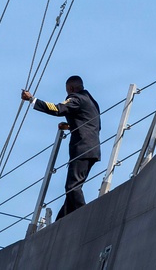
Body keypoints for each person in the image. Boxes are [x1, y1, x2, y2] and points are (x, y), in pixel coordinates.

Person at [21, 76, 101, 220]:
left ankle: (86, 216)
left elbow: (58, 109)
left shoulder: (76, 98)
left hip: (82, 148)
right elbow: (89, 122)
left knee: (72, 188)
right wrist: (70, 125)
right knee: (72, 192)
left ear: (70, 88)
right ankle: (61, 222)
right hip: (92, 148)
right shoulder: (91, 102)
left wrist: (32, 99)